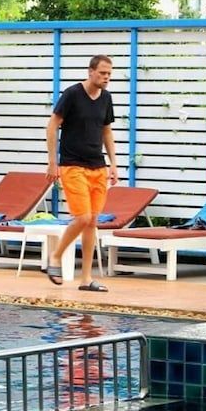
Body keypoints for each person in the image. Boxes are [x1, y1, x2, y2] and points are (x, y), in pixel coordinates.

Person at [45, 55, 118, 291]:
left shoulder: (106, 98)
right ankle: (55, 257)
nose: (106, 77)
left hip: (97, 166)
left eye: (109, 74)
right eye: (102, 73)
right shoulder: (72, 94)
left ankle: (86, 279)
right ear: (90, 72)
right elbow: (52, 125)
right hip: (72, 164)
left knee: (92, 222)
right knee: (83, 217)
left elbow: (106, 131)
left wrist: (113, 164)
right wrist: (52, 162)